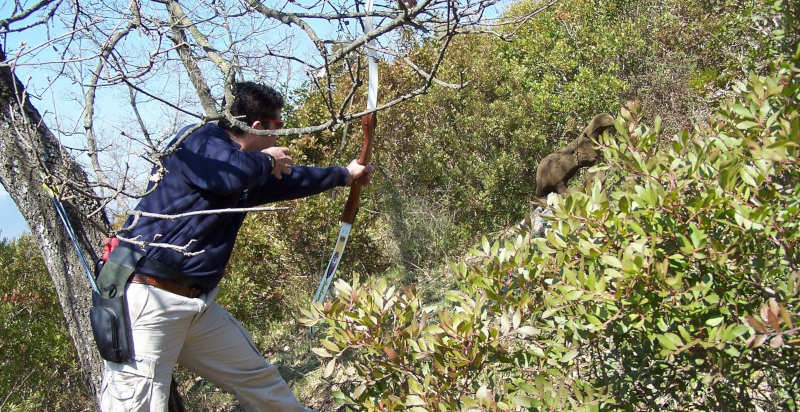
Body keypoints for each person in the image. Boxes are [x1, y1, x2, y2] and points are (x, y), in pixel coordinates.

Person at [99, 81, 371, 411]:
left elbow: (292, 179)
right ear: (256, 126)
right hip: (148, 298)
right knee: (135, 405)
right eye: (277, 127)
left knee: (258, 380)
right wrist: (267, 162)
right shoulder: (198, 142)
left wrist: (344, 174)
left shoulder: (246, 166)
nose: (279, 137)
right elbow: (225, 175)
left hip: (196, 305)